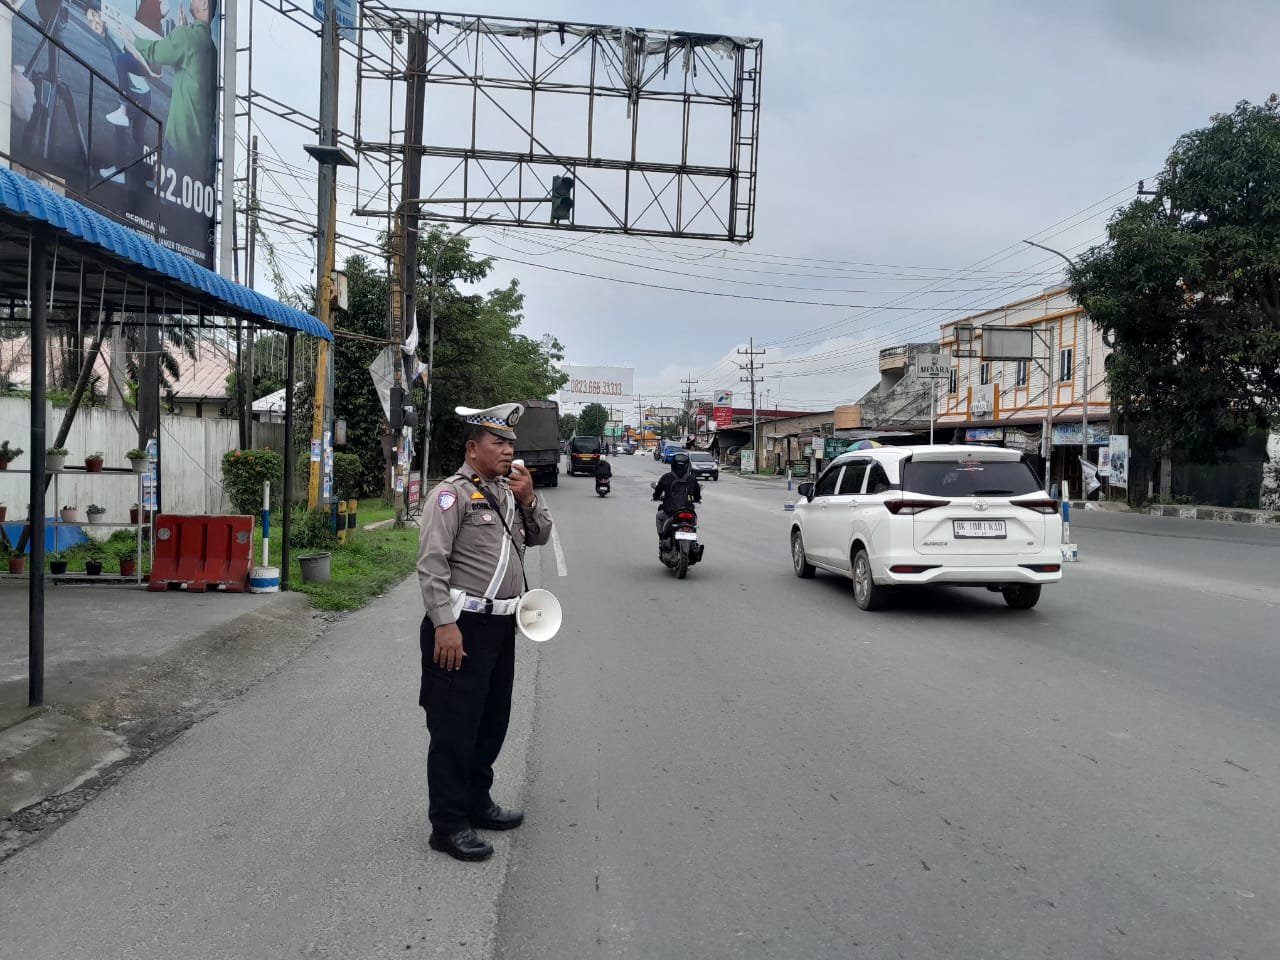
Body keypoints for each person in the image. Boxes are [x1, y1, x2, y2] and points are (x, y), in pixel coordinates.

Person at [417, 402, 554, 863]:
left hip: (501, 627)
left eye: (511, 443)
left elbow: (539, 537)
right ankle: (448, 824)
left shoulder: (510, 491)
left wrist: (530, 498)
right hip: (461, 628)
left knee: (491, 722)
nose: (508, 450)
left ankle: (477, 802)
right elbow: (431, 565)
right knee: (454, 727)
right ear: (472, 448)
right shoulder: (451, 496)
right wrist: (444, 625)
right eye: (499, 443)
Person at [124, 0, 217, 181]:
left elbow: (154, 53)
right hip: (201, 160)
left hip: (178, 144)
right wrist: (182, 33)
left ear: (205, 4)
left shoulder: (187, 37)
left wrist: (131, 37)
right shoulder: (212, 50)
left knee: (164, 203)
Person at [652, 450, 701, 539]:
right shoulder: (691, 478)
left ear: (673, 464)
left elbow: (658, 490)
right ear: (687, 465)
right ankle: (693, 543)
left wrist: (655, 497)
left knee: (659, 516)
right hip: (688, 510)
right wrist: (697, 499)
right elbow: (697, 493)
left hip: (671, 511)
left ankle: (662, 538)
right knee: (693, 522)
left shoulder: (667, 477)